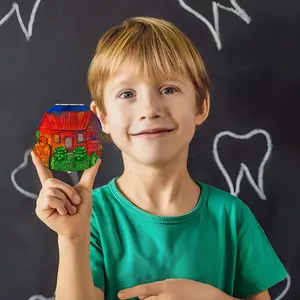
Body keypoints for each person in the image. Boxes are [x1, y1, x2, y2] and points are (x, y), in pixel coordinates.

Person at [32, 16, 287, 300]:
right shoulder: (91, 216)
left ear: (200, 106)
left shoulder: (231, 217)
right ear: (102, 117)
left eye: (168, 89)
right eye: (127, 93)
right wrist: (72, 239)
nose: (150, 109)